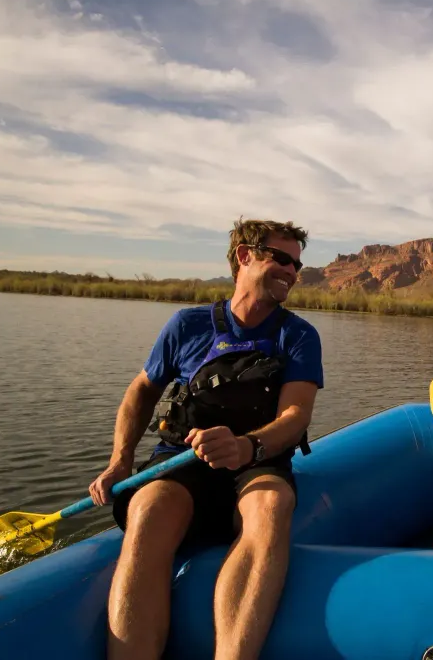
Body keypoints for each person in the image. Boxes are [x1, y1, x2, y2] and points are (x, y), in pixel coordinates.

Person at [88, 217, 324, 660]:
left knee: (271, 506)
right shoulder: (187, 325)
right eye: (282, 259)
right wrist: (121, 460)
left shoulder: (298, 336)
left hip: (257, 462)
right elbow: (141, 390)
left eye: (297, 264)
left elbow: (295, 416)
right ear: (245, 256)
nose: (292, 272)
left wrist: (246, 446)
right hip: (180, 462)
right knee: (148, 510)